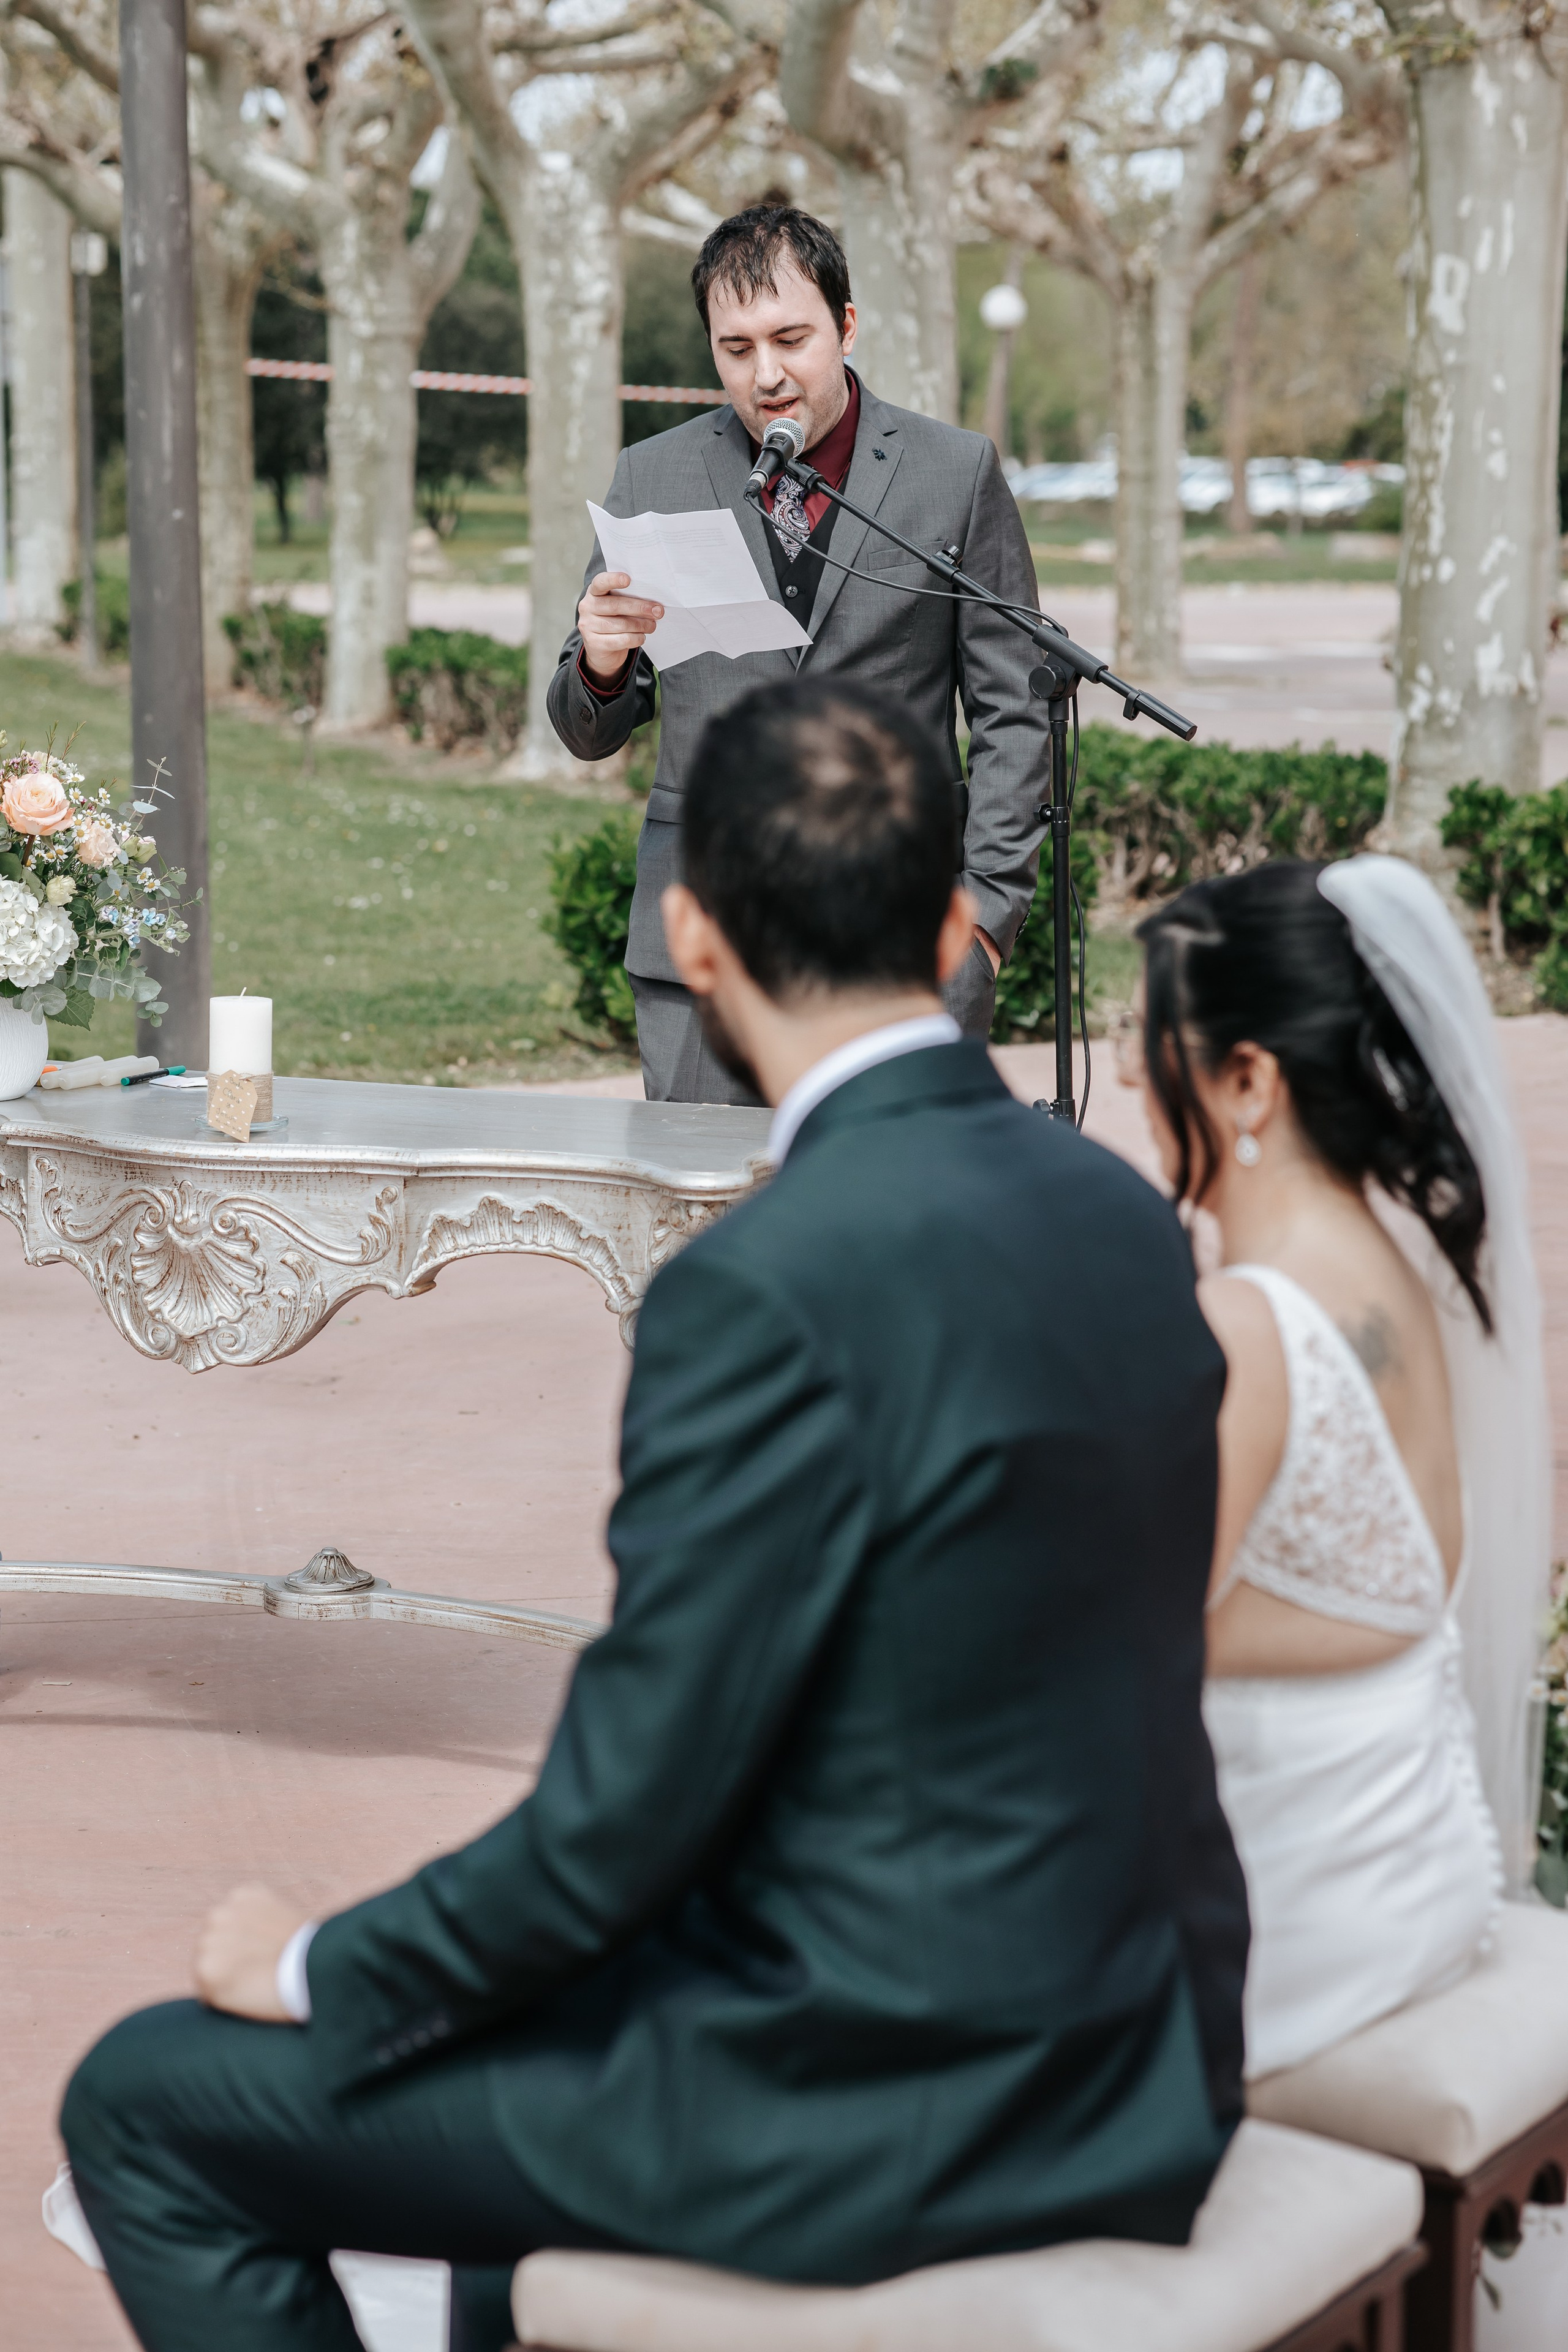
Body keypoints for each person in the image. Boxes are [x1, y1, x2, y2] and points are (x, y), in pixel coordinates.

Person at [60, 680, 1248, 2352]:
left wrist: (329, 1964)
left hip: (882, 2104)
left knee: (149, 2105)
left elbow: (625, 1817)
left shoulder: (762, 1292)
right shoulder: (1118, 1215)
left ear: (695, 939)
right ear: (948, 919)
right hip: (1142, 2059)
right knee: (499, 2098)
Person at [1125, 855, 1551, 2081]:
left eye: (1154, 1049)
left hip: (1284, 1929)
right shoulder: (1408, 1269)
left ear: (1247, 1081)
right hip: (1416, 1876)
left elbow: (1121, 1640)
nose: (1126, 1083)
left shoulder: (1246, 1330)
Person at [546, 203, 1050, 1104]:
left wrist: (985, 918)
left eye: (792, 338)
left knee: (888, 1230)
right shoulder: (649, 476)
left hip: (902, 945)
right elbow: (589, 730)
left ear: (846, 327)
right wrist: (601, 662)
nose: (767, 375)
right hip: (703, 949)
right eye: (735, 349)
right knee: (710, 1225)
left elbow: (1016, 710)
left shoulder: (956, 472)